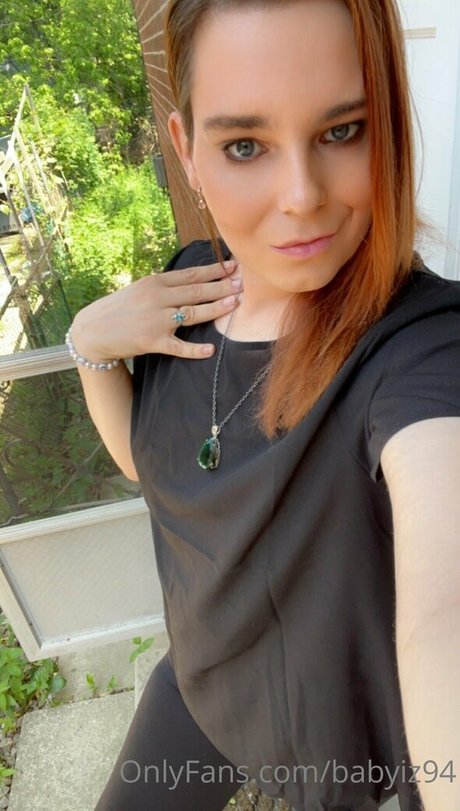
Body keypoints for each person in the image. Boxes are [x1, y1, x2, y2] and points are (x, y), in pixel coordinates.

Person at [67, 1, 460, 809]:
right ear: (187, 150)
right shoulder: (187, 289)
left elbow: (443, 619)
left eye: (342, 131)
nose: (303, 195)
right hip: (206, 686)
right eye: (245, 145)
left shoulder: (421, 346)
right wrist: (91, 347)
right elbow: (152, 466)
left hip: (343, 736)